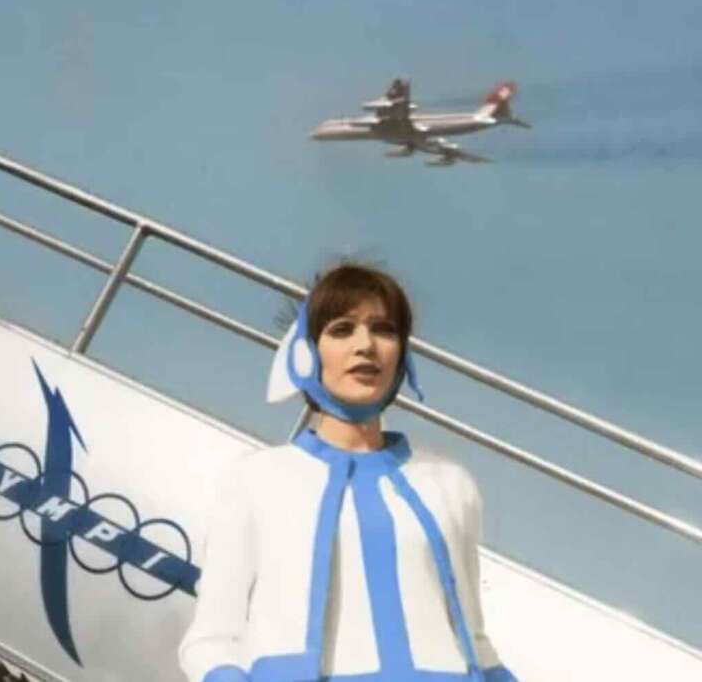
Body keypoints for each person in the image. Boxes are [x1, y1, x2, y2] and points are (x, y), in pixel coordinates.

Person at [178, 263, 517, 682]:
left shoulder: (450, 484)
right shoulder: (256, 479)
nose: (366, 345)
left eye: (384, 329)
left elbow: (474, 639)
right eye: (342, 329)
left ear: (403, 356)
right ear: (305, 352)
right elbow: (211, 638)